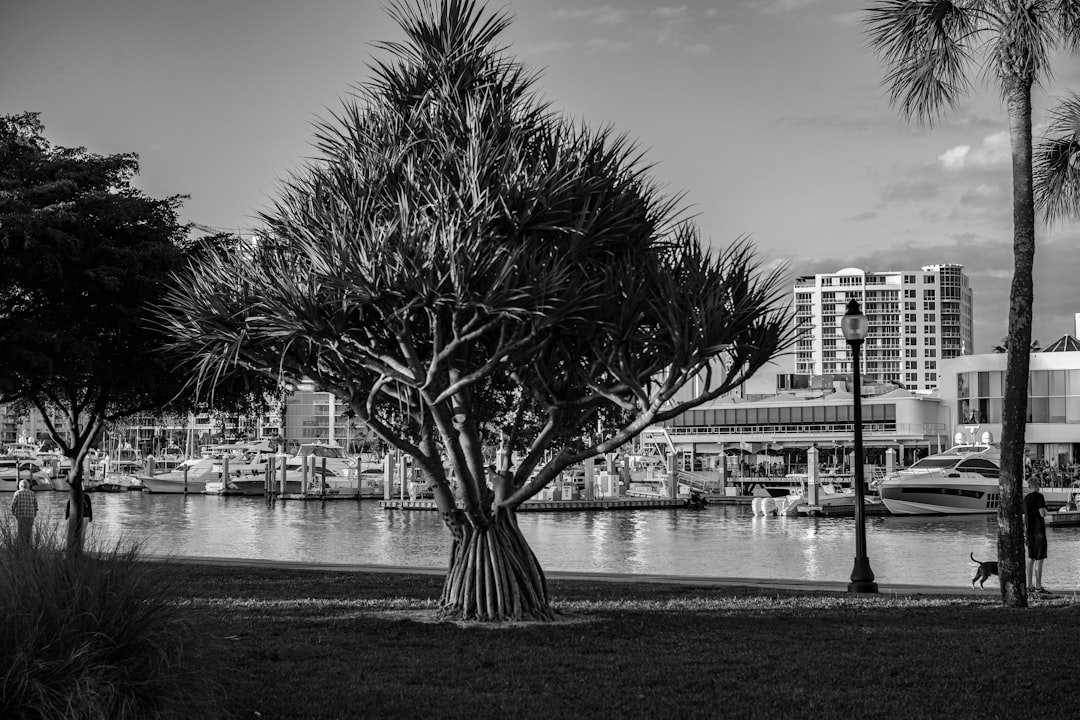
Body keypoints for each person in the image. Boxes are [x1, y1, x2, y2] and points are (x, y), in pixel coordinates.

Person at [1024, 475, 1049, 595]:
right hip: (1039, 532)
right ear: (1036, 485)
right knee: (1039, 560)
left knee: (1030, 558)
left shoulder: (1026, 498)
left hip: (1028, 532)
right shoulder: (1039, 497)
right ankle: (1038, 586)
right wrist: (1045, 510)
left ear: (1029, 486)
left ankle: (1029, 585)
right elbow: (1042, 513)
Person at [10, 479, 38, 546]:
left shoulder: (17, 493)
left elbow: (13, 505)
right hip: (30, 516)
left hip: (21, 516)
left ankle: (22, 549)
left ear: (21, 486)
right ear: (27, 486)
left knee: (21, 534)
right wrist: (34, 514)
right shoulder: (32, 493)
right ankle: (29, 548)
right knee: (29, 533)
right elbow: (36, 505)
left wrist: (14, 513)